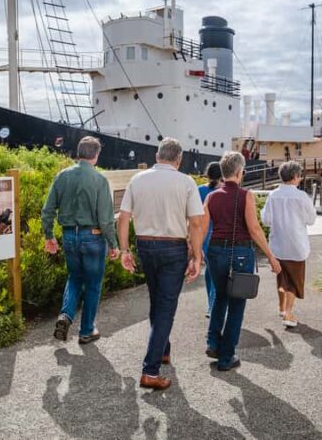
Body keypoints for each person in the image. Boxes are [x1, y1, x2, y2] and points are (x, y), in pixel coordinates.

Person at [117, 138, 204, 390]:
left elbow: (123, 217)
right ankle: (150, 371)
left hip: (145, 245)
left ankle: (163, 349)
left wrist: (124, 250)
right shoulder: (186, 182)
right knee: (166, 306)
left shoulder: (137, 180)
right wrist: (197, 257)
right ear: (179, 159)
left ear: (157, 156)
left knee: (157, 300)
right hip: (174, 247)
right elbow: (196, 223)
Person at [203, 151, 281, 371]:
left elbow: (201, 225)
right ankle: (226, 357)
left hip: (215, 250)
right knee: (237, 304)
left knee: (220, 297)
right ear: (239, 172)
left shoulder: (211, 197)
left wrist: (196, 252)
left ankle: (213, 342)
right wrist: (270, 256)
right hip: (239, 252)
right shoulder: (245, 195)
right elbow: (254, 229)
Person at [42, 136, 120, 344]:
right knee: (93, 284)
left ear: (79, 152)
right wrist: (113, 244)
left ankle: (65, 315)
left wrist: (49, 236)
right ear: (96, 155)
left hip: (69, 235)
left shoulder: (62, 176)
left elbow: (47, 210)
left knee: (74, 278)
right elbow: (106, 219)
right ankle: (86, 331)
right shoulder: (99, 179)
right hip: (93, 237)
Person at [260, 160, 317, 328]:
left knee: (282, 279)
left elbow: (266, 220)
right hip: (296, 246)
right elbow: (311, 220)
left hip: (277, 245)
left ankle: (281, 308)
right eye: (299, 176)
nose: (300, 179)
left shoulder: (273, 195)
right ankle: (288, 313)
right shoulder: (302, 196)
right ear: (295, 177)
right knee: (294, 282)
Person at [198, 162, 223, 317]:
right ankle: (213, 306)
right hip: (220, 235)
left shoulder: (199, 190)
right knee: (218, 273)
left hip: (203, 235)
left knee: (210, 271)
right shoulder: (223, 191)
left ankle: (210, 303)